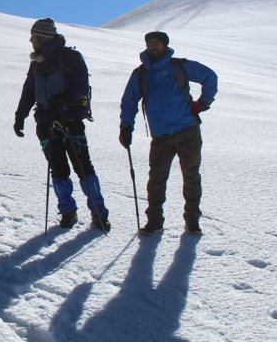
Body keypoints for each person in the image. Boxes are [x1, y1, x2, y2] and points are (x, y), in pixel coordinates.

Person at [14, 18, 110, 232]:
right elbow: (29, 90)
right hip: (45, 121)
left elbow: (81, 85)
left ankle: (98, 211)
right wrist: (20, 115)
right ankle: (68, 211)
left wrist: (63, 99)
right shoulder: (36, 62)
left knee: (83, 167)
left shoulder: (70, 57)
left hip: (70, 119)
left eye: (33, 36)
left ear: (43, 37)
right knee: (58, 168)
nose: (31, 40)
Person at [119, 31, 218, 236]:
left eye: (157, 43)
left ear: (164, 46)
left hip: (187, 130)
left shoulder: (179, 66)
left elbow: (210, 76)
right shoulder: (140, 74)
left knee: (191, 176)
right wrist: (126, 127)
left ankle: (192, 220)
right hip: (161, 136)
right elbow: (129, 102)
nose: (153, 46)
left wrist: (203, 103)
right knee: (156, 179)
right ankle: (154, 221)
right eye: (150, 43)